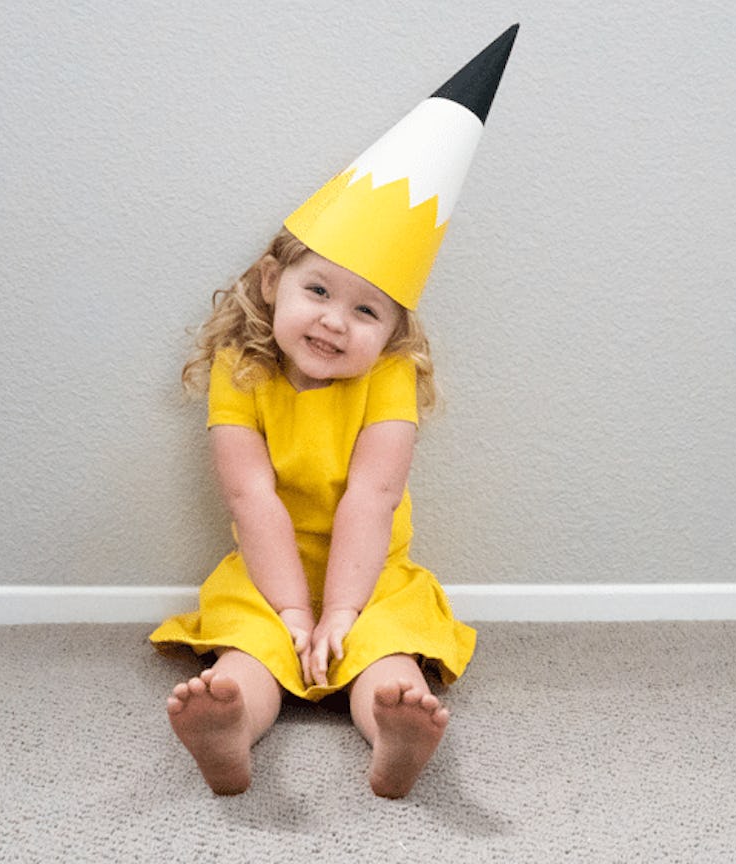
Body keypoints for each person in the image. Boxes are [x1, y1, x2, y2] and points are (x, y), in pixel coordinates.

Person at [150, 23, 517, 798]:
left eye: (366, 311)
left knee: (382, 659)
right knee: (249, 657)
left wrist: (342, 611)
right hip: (264, 570)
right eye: (318, 291)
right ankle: (227, 732)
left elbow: (373, 495)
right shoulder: (240, 368)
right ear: (271, 279)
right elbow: (250, 496)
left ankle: (394, 735)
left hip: (371, 571)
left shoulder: (387, 376)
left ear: (393, 332)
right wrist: (288, 610)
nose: (333, 322)